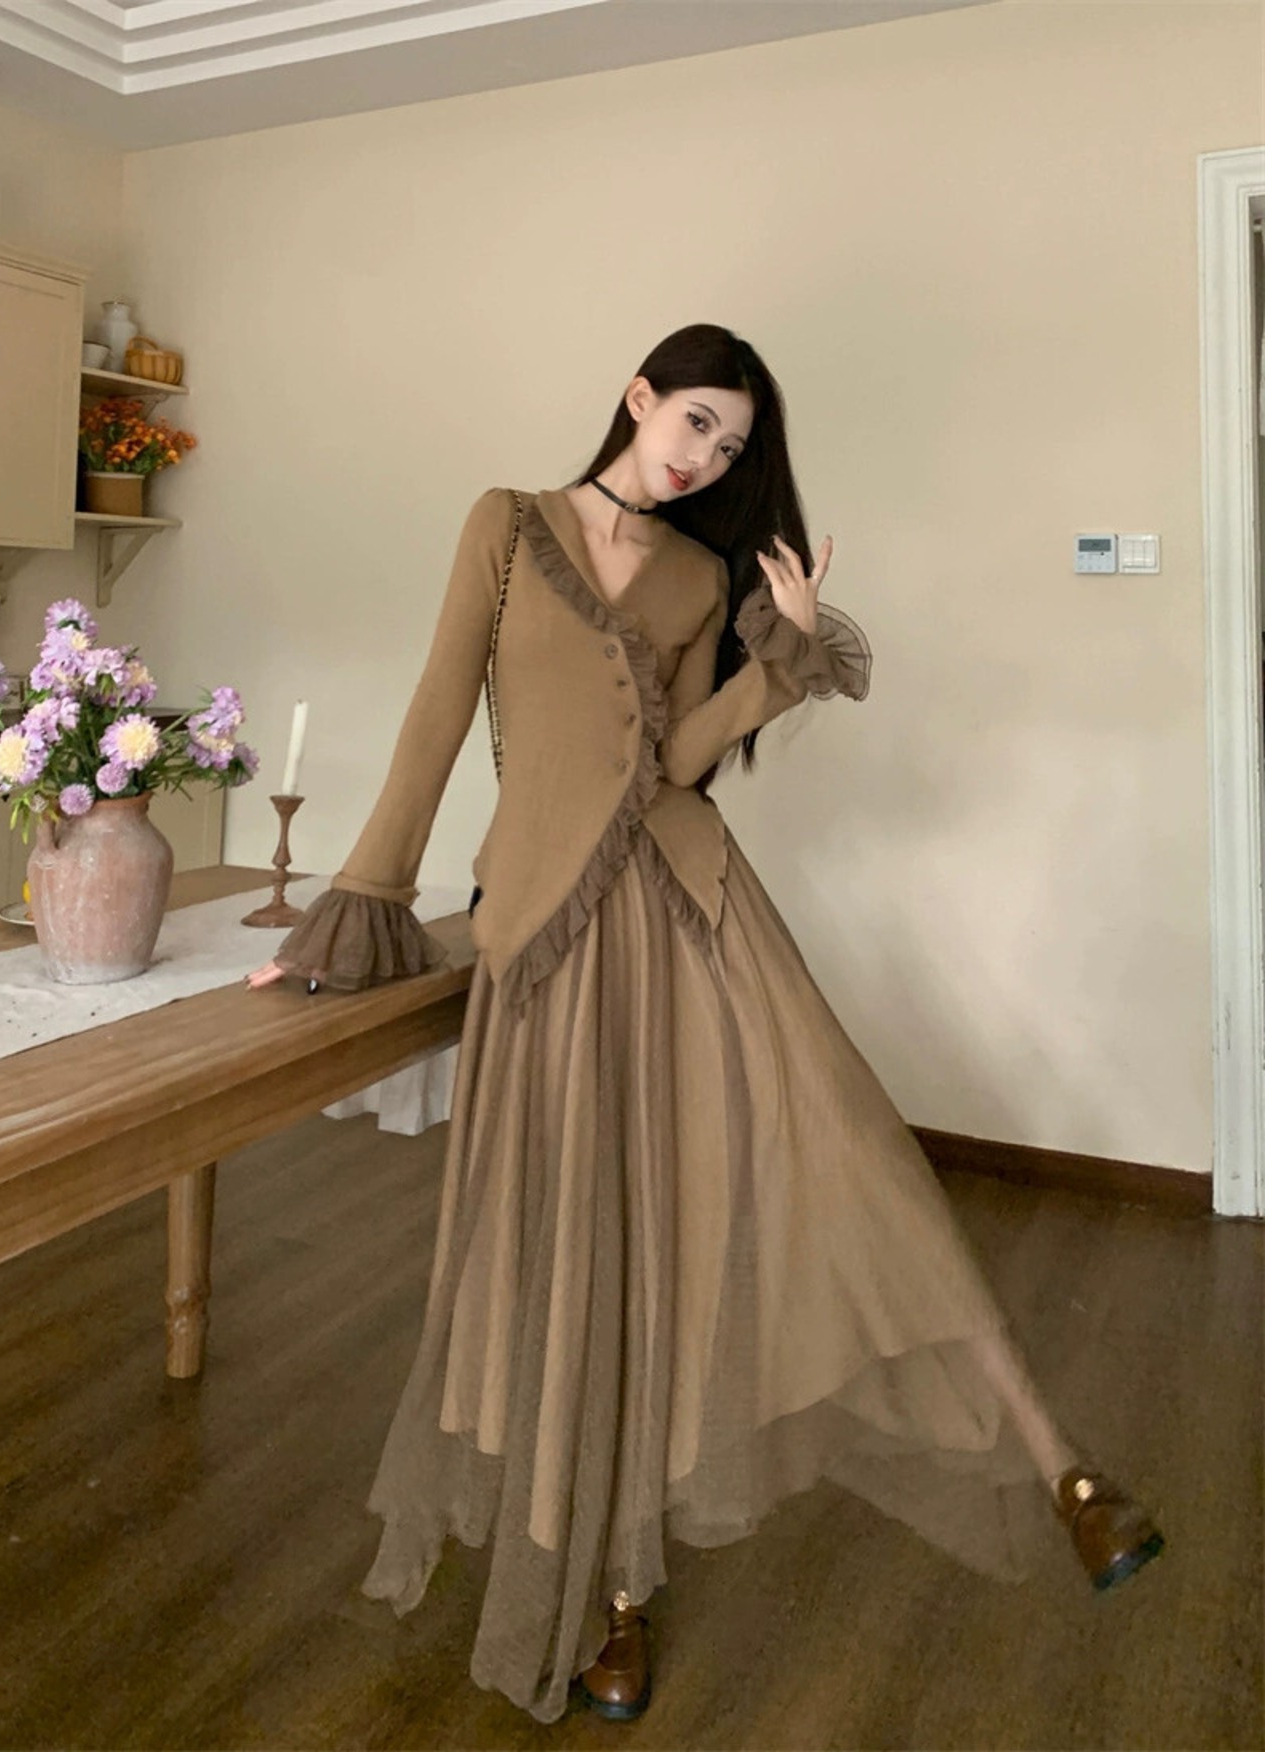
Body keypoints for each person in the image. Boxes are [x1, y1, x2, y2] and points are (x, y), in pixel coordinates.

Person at [248, 323, 1163, 1724]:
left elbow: (672, 759)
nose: (706, 461)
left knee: (847, 1161)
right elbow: (436, 720)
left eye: (730, 450)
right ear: (639, 397)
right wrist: (359, 906)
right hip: (547, 935)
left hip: (690, 903)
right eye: (696, 426)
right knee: (583, 1247)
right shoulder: (506, 526)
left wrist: (777, 660)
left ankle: (1067, 1476)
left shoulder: (695, 575)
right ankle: (613, 1587)